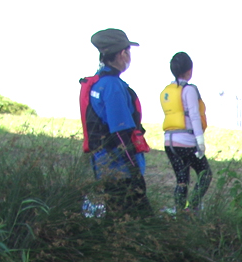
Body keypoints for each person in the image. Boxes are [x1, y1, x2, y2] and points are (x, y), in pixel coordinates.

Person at [81, 29, 150, 214]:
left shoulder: (98, 84)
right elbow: (120, 132)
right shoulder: (113, 86)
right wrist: (135, 173)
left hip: (106, 168)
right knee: (140, 221)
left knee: (117, 221)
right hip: (121, 172)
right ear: (122, 54)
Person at [160, 51, 211, 212]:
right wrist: (200, 141)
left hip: (169, 143)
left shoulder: (167, 91)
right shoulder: (189, 90)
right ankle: (192, 207)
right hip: (186, 143)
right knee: (205, 174)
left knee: (181, 180)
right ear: (190, 70)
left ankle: (179, 212)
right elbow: (194, 116)